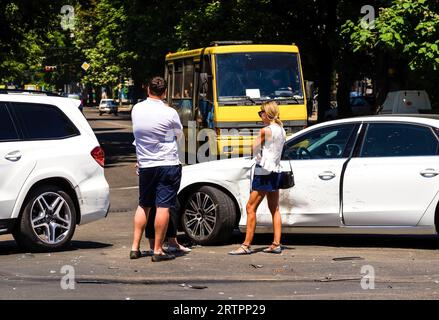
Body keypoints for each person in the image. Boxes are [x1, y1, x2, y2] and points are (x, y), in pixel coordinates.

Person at [130, 76, 183, 262]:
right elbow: (178, 134)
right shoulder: (170, 113)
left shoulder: (136, 109)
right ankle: (158, 250)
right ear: (165, 92)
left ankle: (135, 247)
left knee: (143, 205)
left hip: (146, 165)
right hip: (167, 163)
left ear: (147, 90)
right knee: (163, 207)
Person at [229, 101, 286, 255]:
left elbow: (253, 148)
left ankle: (246, 245)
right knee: (275, 208)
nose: (260, 116)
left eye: (261, 113)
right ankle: (276, 243)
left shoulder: (265, 130)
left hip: (264, 171)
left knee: (250, 207)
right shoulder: (281, 130)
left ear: (267, 114)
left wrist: (259, 156)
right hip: (276, 170)